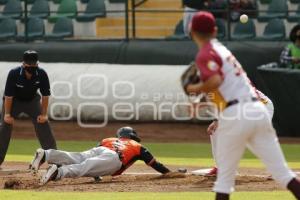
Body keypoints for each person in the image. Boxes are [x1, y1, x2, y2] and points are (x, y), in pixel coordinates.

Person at [186, 11, 300, 200]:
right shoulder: (223, 50)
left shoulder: (205, 53)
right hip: (257, 110)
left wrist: (194, 87)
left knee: (224, 181)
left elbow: (214, 80)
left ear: (191, 31)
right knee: (284, 174)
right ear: (215, 30)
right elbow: (223, 87)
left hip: (238, 113)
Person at [30, 127, 180, 185]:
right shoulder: (138, 146)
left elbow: (94, 159)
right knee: (84, 167)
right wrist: (169, 173)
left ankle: (46, 154)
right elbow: (155, 164)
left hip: (103, 150)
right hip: (115, 158)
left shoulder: (109, 139)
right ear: (132, 136)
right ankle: (58, 171)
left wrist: (97, 175)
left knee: (78, 157)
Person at [0, 50, 57, 167]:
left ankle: (55, 160)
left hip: (32, 101)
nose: (31, 66)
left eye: (33, 64)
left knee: (44, 124)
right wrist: (7, 115)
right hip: (14, 101)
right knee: (4, 126)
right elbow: (8, 96)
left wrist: (44, 114)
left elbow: (45, 95)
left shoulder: (41, 73)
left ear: (37, 64)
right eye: (29, 64)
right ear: (23, 64)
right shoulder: (14, 73)